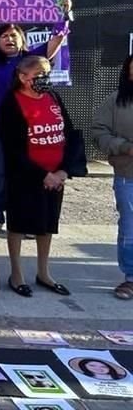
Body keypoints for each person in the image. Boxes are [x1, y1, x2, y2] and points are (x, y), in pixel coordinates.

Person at [0, 0, 71, 236]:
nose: (9, 38)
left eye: (14, 35)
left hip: (29, 130)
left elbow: (56, 41)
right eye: (4, 35)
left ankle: (24, 221)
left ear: (23, 40)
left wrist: (64, 14)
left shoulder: (30, 61)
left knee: (26, 174)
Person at [0, 55, 85, 298]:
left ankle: (43, 272)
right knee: (18, 223)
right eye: (38, 75)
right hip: (26, 175)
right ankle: (17, 275)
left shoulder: (53, 97)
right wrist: (42, 174)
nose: (44, 79)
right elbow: (13, 147)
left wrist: (63, 171)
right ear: (23, 77)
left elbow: (68, 133)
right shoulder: (12, 102)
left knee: (46, 224)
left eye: (47, 74)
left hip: (55, 176)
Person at [91, 54, 133, 301]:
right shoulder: (115, 102)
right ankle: (130, 278)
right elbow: (98, 132)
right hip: (128, 175)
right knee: (130, 227)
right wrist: (124, 147)